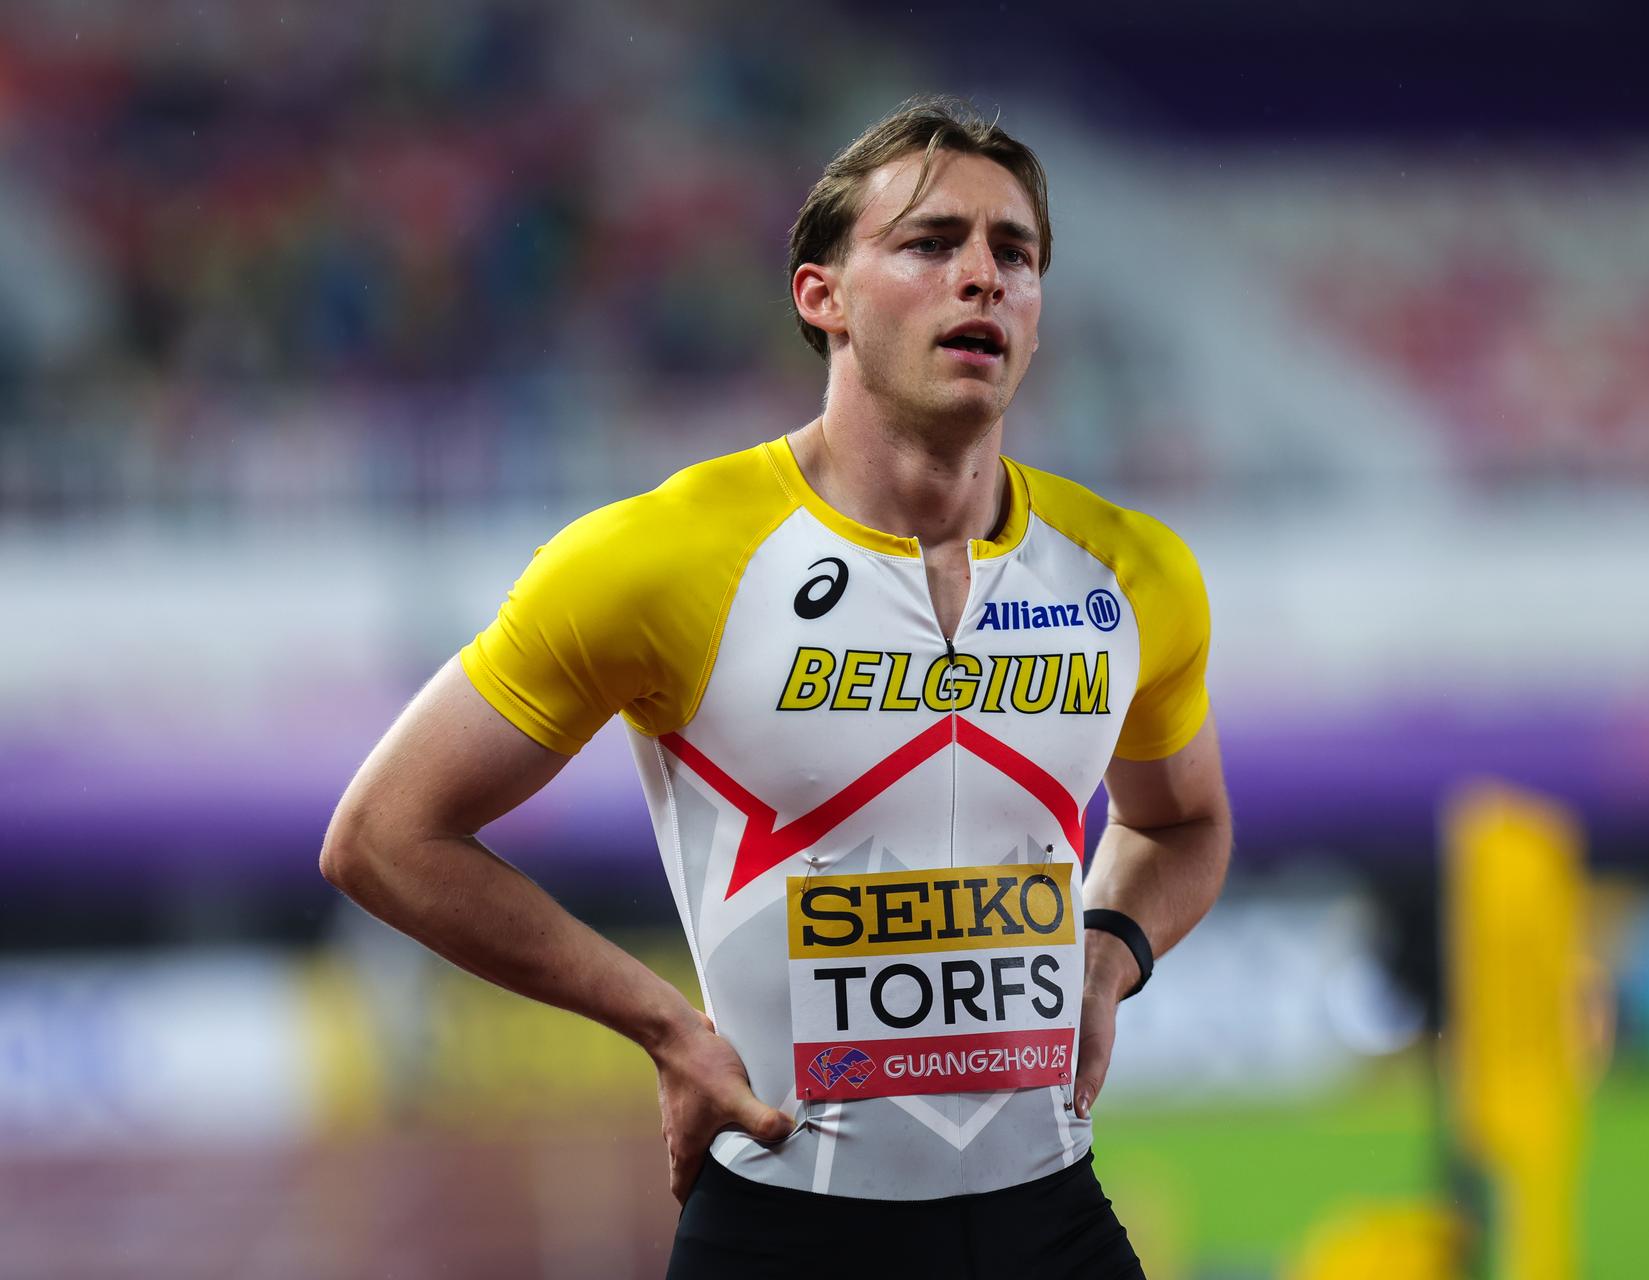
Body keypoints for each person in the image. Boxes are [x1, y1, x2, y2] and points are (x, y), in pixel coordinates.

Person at [320, 95, 1232, 1278]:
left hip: (1049, 1217)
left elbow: (1185, 818)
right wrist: (661, 1024)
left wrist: (1109, 951)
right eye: (930, 242)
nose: (983, 278)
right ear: (824, 296)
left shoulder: (1132, 569)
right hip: (788, 1227)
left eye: (1016, 253)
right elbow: (383, 834)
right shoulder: (660, 556)